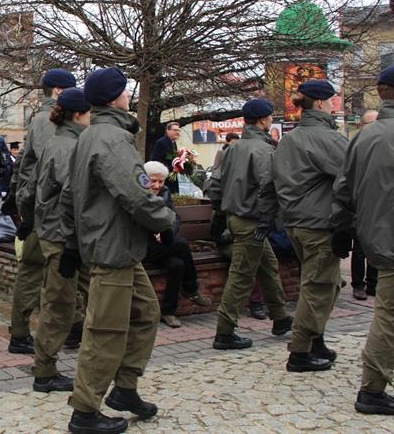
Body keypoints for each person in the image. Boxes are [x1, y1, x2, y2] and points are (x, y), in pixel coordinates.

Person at [59, 68, 176, 434]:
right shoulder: (113, 140)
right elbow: (137, 195)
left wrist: (71, 243)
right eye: (126, 92)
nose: (129, 97)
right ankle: (84, 411)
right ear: (115, 98)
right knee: (105, 331)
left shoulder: (89, 136)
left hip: (117, 248)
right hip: (112, 249)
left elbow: (68, 195)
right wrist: (166, 221)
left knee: (146, 312)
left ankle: (125, 389)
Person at [271, 79, 346, 373]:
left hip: (296, 223)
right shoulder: (327, 138)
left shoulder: (289, 138)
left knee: (324, 284)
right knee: (318, 288)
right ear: (320, 102)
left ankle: (316, 343)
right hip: (319, 224)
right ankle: (300, 352)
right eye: (331, 100)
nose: (333, 105)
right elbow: (351, 178)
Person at [332, 65, 394, 416]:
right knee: (389, 315)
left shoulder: (364, 137)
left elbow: (343, 190)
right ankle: (372, 389)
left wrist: (345, 228)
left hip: (376, 237)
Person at [206, 99, 292, 350]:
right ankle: (224, 332)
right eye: (270, 117)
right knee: (242, 276)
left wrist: (221, 209)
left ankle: (280, 318)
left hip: (237, 219)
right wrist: (267, 219)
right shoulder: (263, 150)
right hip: (252, 221)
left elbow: (215, 184)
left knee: (268, 266)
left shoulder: (233, 148)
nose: (271, 120)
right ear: (264, 120)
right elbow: (268, 188)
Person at [25, 88, 91, 394]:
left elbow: (30, 185)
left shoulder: (57, 141)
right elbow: (71, 196)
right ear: (77, 115)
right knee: (59, 304)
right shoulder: (67, 146)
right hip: (61, 237)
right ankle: (45, 371)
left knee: (63, 301)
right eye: (89, 113)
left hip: (55, 233)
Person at [9, 68, 76, 355]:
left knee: (36, 270)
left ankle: (23, 332)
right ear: (59, 91)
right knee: (45, 271)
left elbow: (24, 164)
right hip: (48, 209)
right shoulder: (52, 121)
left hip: (37, 206)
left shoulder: (39, 119)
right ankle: (28, 335)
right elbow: (52, 169)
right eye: (72, 89)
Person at [143, 161, 212, 328]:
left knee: (177, 264)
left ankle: (168, 312)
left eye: (161, 181)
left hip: (162, 244)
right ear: (144, 179)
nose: (157, 185)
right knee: (181, 244)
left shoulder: (164, 192)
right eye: (153, 181)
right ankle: (191, 289)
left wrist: (166, 231)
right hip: (141, 246)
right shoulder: (138, 195)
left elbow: (175, 218)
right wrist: (158, 229)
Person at [350, 109, 379, 301]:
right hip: (360, 204)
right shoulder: (355, 146)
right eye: (372, 123)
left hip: (378, 203)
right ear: (362, 125)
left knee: (376, 245)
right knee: (360, 248)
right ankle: (358, 284)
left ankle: (373, 283)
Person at [150, 121, 181, 194]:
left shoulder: (173, 143)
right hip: (163, 179)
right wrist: (171, 167)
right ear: (168, 131)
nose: (177, 132)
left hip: (172, 178)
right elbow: (156, 160)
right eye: (175, 130)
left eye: (178, 130)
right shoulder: (161, 142)